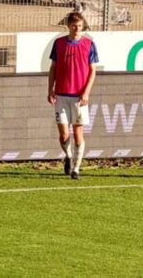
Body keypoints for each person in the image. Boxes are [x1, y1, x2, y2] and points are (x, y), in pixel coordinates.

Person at [47, 10, 98, 179]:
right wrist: (50, 89)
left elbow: (92, 71)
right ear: (68, 26)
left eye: (80, 26)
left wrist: (86, 93)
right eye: (74, 26)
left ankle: (76, 168)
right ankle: (68, 156)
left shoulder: (89, 44)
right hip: (61, 95)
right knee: (63, 134)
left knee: (78, 135)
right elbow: (53, 68)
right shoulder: (59, 43)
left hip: (78, 97)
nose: (77, 29)